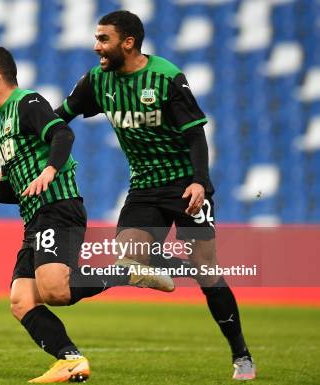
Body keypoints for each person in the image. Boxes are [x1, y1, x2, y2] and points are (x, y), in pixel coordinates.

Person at [0, 44, 174, 383]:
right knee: (21, 301)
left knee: (55, 291)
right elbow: (17, 191)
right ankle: (70, 360)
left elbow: (63, 132)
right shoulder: (4, 126)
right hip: (35, 217)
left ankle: (126, 272)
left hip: (58, 208)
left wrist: (49, 171)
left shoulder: (28, 103)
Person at [54, 10, 256, 381]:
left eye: (103, 39)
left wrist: (200, 182)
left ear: (127, 43)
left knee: (209, 274)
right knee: (129, 257)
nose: (96, 46)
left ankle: (241, 354)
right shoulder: (97, 81)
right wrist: (26, 152)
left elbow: (195, 135)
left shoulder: (165, 78)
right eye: (96, 38)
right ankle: (172, 266)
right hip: (145, 186)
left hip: (185, 187)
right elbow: (58, 118)